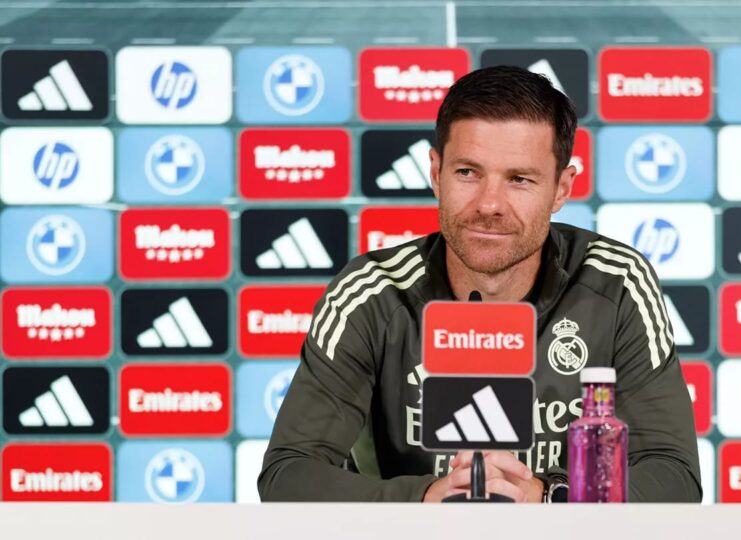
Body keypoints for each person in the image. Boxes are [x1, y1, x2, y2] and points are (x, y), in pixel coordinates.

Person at [258, 65, 701, 503]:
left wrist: (549, 498)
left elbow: (674, 474)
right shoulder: (372, 292)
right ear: (436, 173)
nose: (489, 204)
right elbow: (287, 475)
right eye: (468, 173)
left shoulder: (615, 282)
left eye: (519, 179)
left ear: (561, 189)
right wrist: (425, 500)